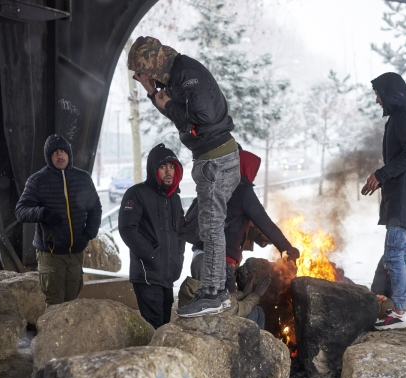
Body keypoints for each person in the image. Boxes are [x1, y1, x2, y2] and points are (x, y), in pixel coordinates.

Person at [128, 36, 239, 317]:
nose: (147, 78)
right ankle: (215, 292)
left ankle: (213, 293)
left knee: (212, 228)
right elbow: (181, 116)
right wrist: (154, 94)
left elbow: (201, 115)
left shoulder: (185, 73)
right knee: (210, 226)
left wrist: (165, 104)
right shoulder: (178, 76)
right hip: (210, 157)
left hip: (215, 158)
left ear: (153, 62)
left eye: (145, 72)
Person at [182, 147, 299, 301]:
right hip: (220, 264)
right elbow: (265, 223)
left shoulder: (217, 185)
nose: (253, 176)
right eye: (254, 171)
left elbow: (229, 220)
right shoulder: (242, 190)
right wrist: (287, 249)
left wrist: (258, 237)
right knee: (227, 315)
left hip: (200, 259)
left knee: (207, 311)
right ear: (246, 168)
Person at [361, 72, 406, 331]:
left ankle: (400, 311)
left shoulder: (404, 118)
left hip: (403, 198)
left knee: (393, 254)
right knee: (400, 254)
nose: (377, 100)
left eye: (378, 94)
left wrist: (381, 174)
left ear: (390, 93)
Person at [15, 134, 102, 307]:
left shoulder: (83, 178)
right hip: (51, 254)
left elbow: (95, 208)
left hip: (76, 252)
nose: (59, 155)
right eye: (54, 153)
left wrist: (88, 234)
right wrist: (42, 213)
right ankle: (51, 334)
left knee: (72, 302)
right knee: (55, 304)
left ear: (69, 154)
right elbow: (21, 211)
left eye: (62, 151)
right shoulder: (37, 180)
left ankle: (69, 335)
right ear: (49, 157)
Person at [118, 144, 185, 329]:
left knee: (164, 325)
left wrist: (178, 260)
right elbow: (127, 229)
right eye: (163, 167)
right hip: (147, 275)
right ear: (154, 170)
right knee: (153, 327)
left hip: (167, 277)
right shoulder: (137, 194)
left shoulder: (174, 199)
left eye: (172, 166)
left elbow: (180, 233)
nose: (168, 171)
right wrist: (153, 256)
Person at [178, 274, 271, 329]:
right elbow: (238, 309)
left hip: (203, 325)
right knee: (258, 311)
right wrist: (256, 295)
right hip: (215, 329)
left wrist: (242, 293)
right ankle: (258, 347)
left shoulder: (187, 288)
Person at [371, 237, 406, 322]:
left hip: (402, 306)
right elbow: (378, 282)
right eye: (405, 255)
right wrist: (379, 294)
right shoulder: (387, 260)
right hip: (385, 298)